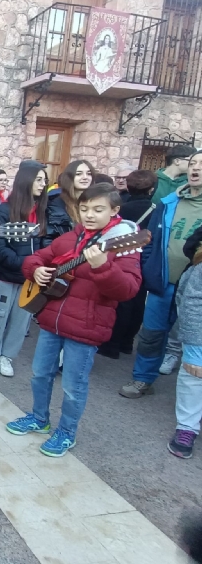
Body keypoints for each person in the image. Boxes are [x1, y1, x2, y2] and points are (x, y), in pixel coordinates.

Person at [9, 183, 141, 457]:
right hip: (51, 320)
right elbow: (36, 258)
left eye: (98, 209)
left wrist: (102, 265)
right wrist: (36, 271)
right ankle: (39, 418)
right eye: (84, 209)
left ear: (115, 211)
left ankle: (67, 433)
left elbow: (128, 289)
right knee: (39, 375)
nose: (89, 215)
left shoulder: (122, 243)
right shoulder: (70, 238)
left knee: (72, 385)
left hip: (86, 327)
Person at [120, 150, 202, 398]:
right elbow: (149, 241)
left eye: (201, 164)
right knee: (152, 334)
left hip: (196, 289)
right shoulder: (168, 203)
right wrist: (148, 270)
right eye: (193, 162)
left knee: (195, 343)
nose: (195, 167)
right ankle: (142, 379)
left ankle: (191, 400)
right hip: (163, 282)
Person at [0, 162, 50, 377]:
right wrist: (28, 265)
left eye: (44, 180)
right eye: (39, 179)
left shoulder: (42, 212)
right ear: (26, 181)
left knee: (21, 321)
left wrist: (38, 267)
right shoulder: (4, 211)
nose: (43, 184)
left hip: (31, 279)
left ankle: (7, 356)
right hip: (5, 275)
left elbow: (45, 245)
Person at [97, 169, 157, 359]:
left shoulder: (121, 210)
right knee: (138, 300)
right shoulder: (156, 210)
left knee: (121, 301)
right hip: (145, 257)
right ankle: (127, 342)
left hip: (119, 256)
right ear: (152, 189)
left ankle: (112, 344)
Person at [167, 227, 202, 459]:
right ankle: (187, 427)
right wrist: (194, 347)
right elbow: (191, 303)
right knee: (193, 376)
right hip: (199, 331)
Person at [45, 159, 95, 242]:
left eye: (89, 174)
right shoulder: (56, 203)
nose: (85, 177)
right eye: (79, 174)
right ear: (69, 177)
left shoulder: (97, 201)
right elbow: (49, 238)